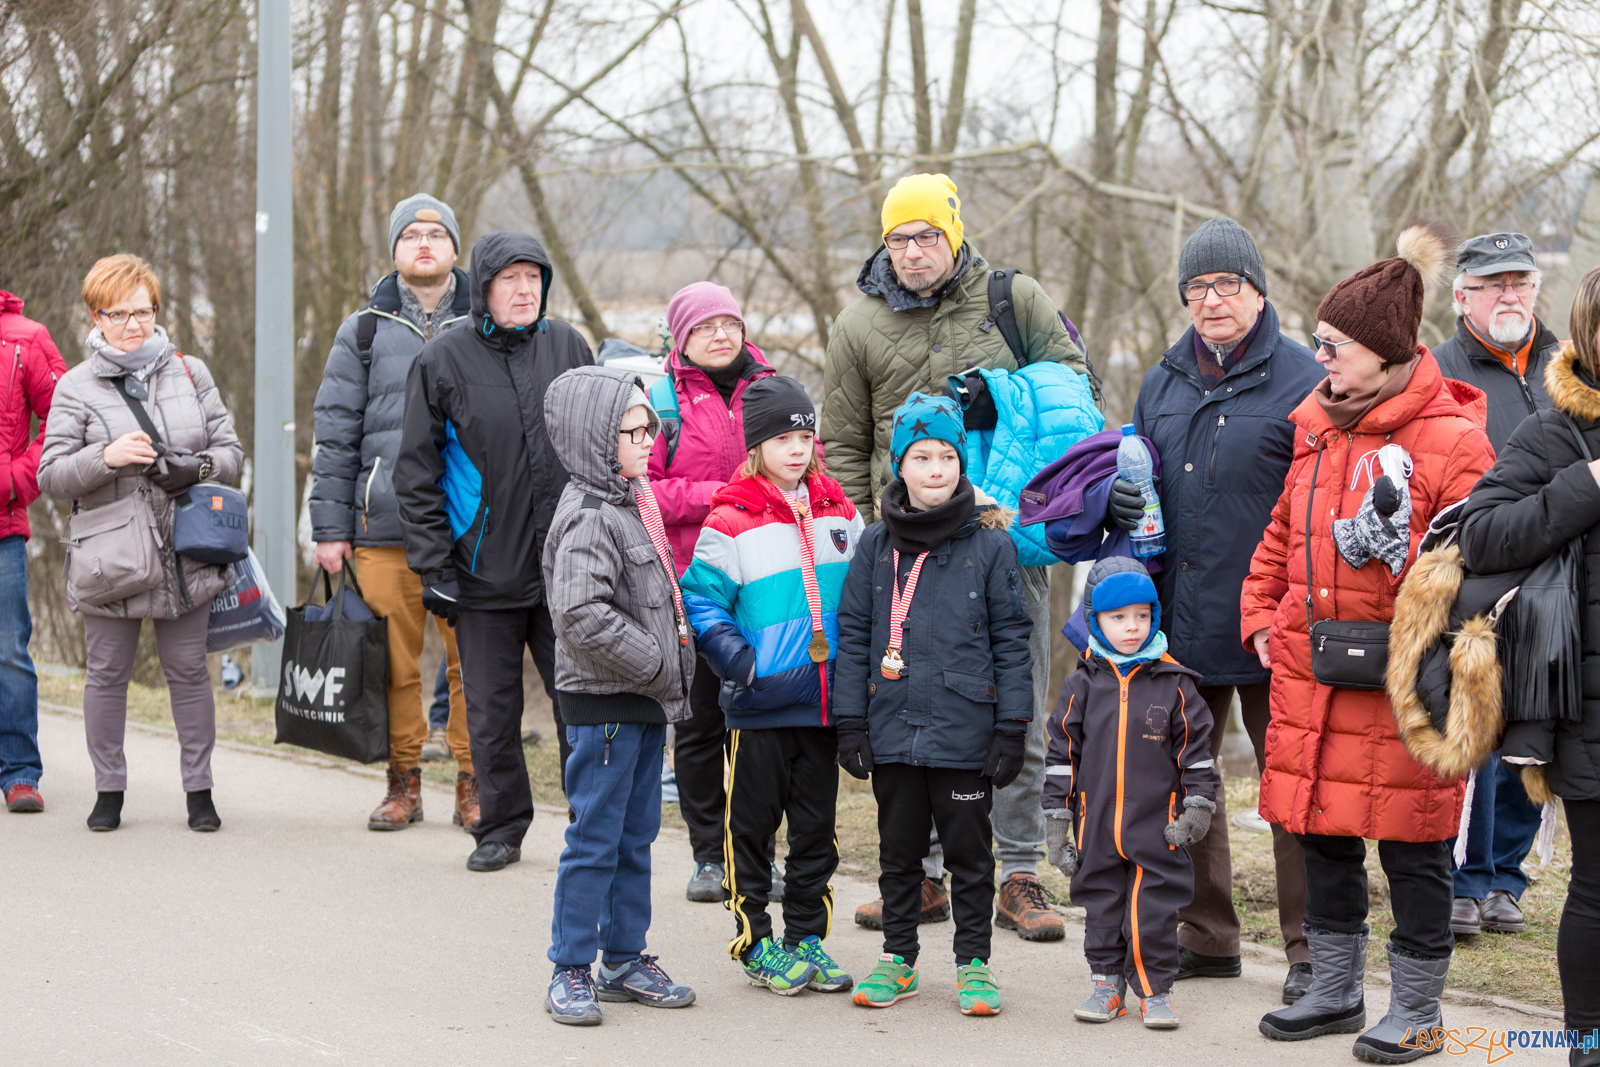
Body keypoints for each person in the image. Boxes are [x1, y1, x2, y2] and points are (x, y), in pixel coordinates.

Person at [1242, 224, 1495, 1060]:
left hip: (1405, 680)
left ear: (1386, 354)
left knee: (1415, 843)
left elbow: (1484, 564)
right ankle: (1335, 989)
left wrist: (1434, 648)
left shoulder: (1454, 440)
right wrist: (1261, 618)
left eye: (1333, 345)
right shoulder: (1318, 426)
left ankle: (1418, 1007)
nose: (1319, 358)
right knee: (1321, 830)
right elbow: (1280, 535)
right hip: (1312, 670)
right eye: (1317, 342)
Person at [823, 172, 1086, 941]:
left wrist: (1000, 395)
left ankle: (1021, 872)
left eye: (926, 235)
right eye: (898, 238)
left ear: (954, 233)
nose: (912, 251)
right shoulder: (859, 325)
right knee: (914, 705)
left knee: (1016, 698)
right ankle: (925, 877)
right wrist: (855, 540)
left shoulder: (1014, 298)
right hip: (899, 549)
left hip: (1003, 535)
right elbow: (842, 442)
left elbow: (1075, 385)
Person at [1126, 217, 1323, 1000]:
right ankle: (1207, 934)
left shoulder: (1304, 377)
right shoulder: (1162, 381)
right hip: (1181, 619)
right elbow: (1140, 496)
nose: (1211, 301)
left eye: (1226, 285)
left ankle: (1312, 948)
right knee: (1187, 781)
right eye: (1196, 288)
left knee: (1292, 785)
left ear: (1257, 288)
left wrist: (1295, 608)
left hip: (1278, 624)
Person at [394, 232, 592, 872]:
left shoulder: (568, 346)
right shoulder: (443, 358)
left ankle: (592, 825)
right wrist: (434, 565)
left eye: (534, 277)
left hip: (568, 569)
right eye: (509, 278)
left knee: (582, 705)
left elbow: (605, 448)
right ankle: (501, 828)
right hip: (482, 570)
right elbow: (416, 472)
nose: (524, 289)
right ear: (481, 287)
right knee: (491, 711)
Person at [834, 393, 1033, 1016]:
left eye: (948, 455)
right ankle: (898, 958)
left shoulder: (992, 545)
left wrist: (1011, 727)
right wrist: (850, 721)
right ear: (900, 464)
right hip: (891, 727)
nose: (937, 469)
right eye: (922, 457)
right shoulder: (873, 545)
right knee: (899, 853)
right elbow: (855, 634)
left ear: (961, 463)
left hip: (964, 730)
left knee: (970, 854)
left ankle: (974, 964)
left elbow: (1012, 640)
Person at [37, 254, 243, 832]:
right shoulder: (75, 387)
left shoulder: (191, 371)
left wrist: (196, 467)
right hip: (110, 557)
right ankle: (109, 792)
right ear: (95, 317)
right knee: (106, 675)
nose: (133, 324)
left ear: (157, 310)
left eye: (143, 311)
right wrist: (105, 458)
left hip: (187, 550)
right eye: (119, 313)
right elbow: (50, 475)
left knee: (188, 673)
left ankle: (199, 792)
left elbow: (230, 453)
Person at [1455, 266, 1600, 1066]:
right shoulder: (1554, 433)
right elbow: (1480, 538)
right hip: (1584, 699)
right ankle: (1586, 1043)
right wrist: (1585, 485)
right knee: (1598, 888)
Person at [679, 376, 862, 996]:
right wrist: (741, 662)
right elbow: (701, 601)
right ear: (757, 445)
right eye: (782, 437)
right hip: (760, 702)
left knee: (816, 828)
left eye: (805, 436)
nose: (796, 448)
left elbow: (865, 594)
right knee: (751, 827)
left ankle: (806, 935)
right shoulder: (730, 518)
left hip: (825, 704)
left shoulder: (841, 511)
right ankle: (756, 941)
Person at [310, 193, 479, 832]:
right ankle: (402, 783)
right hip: (384, 530)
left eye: (437, 233)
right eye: (412, 235)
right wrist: (331, 528)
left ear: (456, 248)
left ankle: (474, 782)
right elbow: (335, 433)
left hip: (470, 530)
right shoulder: (364, 331)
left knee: (475, 668)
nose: (425, 243)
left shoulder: (487, 324)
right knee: (392, 666)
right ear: (395, 251)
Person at [539, 365, 698, 1025]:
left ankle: (624, 957)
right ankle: (571, 965)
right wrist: (657, 660)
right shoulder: (588, 513)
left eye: (649, 426)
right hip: (605, 704)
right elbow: (580, 613)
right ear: (593, 437)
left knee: (636, 836)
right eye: (631, 430)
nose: (647, 440)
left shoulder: (636, 500)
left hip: (642, 702)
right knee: (595, 838)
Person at [1432, 231, 1555, 938]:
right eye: (1493, 284)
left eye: (1522, 282)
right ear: (1462, 296)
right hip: (1475, 576)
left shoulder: (1569, 368)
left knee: (1533, 733)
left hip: (1555, 583)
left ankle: (1505, 874)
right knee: (1471, 732)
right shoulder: (1442, 371)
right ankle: (1460, 878)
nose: (1510, 296)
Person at [644, 281, 780, 903]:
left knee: (760, 726)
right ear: (682, 340)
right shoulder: (660, 402)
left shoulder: (771, 389)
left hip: (765, 578)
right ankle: (707, 856)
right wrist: (716, 497)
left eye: (729, 323)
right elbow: (644, 490)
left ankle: (757, 855)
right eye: (705, 328)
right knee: (699, 724)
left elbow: (807, 466)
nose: (721, 336)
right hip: (693, 582)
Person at [1045, 557, 1221, 1030]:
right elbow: (1061, 756)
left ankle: (1155, 990)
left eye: (1142, 616)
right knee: (1101, 902)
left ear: (1154, 617)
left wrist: (1198, 806)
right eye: (1118, 617)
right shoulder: (1081, 686)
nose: (1131, 627)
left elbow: (1198, 756)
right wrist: (1058, 821)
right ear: (1094, 620)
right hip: (1096, 822)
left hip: (1156, 826)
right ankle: (1106, 983)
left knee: (1154, 909)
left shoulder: (1176, 684)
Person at [0, 288, 65, 814]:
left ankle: (20, 774)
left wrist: (16, 478)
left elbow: (64, 421)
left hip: (3, 526)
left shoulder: (28, 338)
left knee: (8, 653)